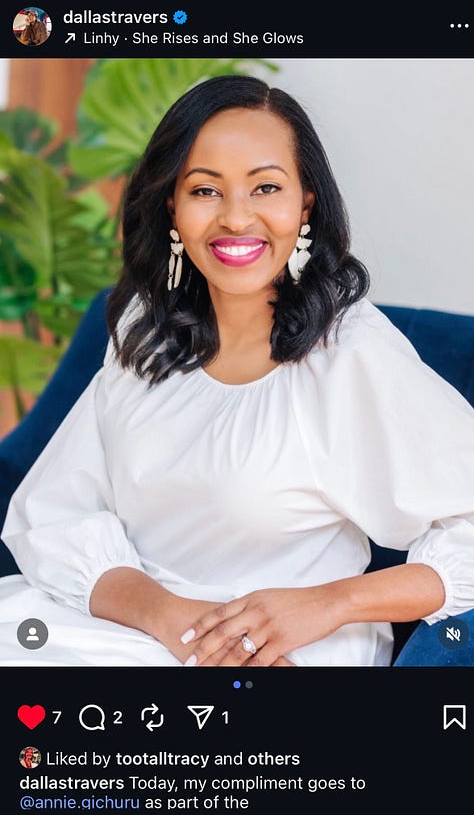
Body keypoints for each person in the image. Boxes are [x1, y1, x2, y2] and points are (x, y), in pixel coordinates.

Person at [1, 74, 474, 667]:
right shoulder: (146, 327)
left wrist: (331, 603)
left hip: (282, 651)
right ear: (172, 206)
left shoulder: (349, 352)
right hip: (138, 627)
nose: (236, 217)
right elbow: (57, 513)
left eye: (266, 187)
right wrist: (172, 618)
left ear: (305, 203)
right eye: (205, 190)